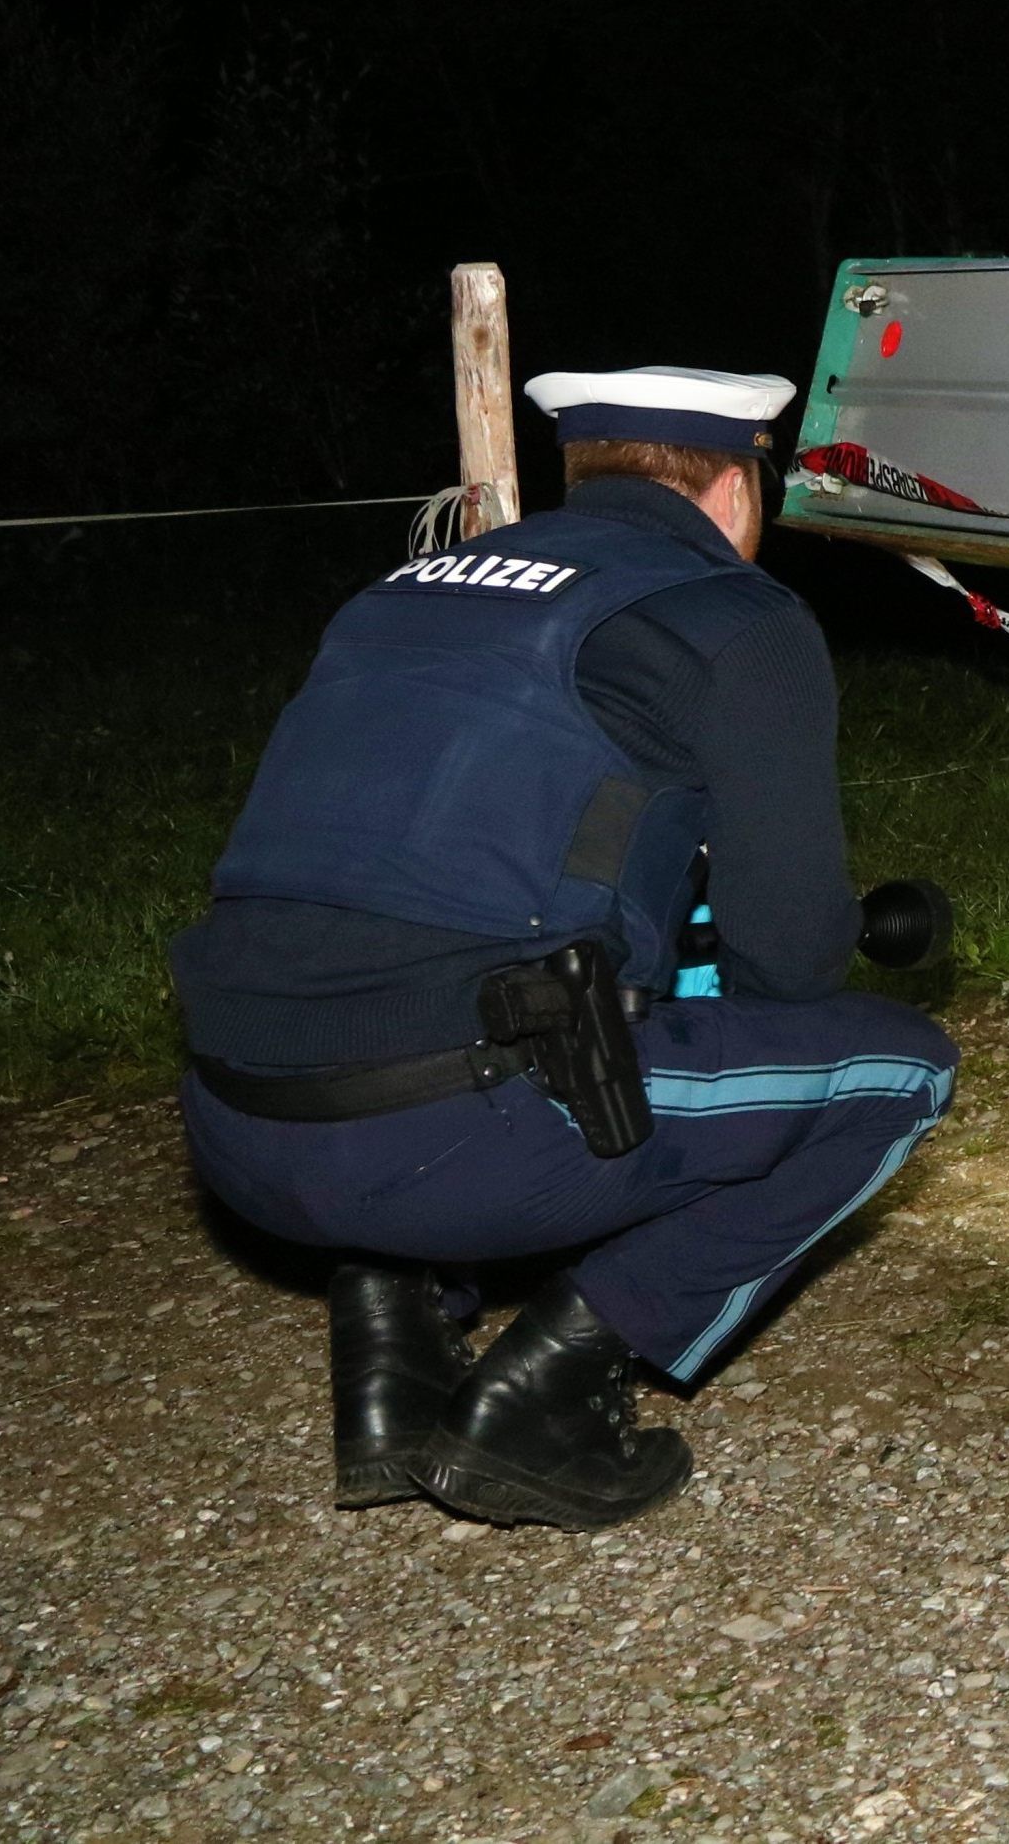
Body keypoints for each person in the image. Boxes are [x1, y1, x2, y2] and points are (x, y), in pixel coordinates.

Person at [171, 367, 959, 1531]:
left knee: (450, 983)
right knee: (901, 1070)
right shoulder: (729, 617)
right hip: (450, 1138)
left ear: (580, 472)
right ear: (739, 486)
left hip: (238, 1122)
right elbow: (789, 962)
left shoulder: (393, 594)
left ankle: (391, 1367)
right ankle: (550, 1390)